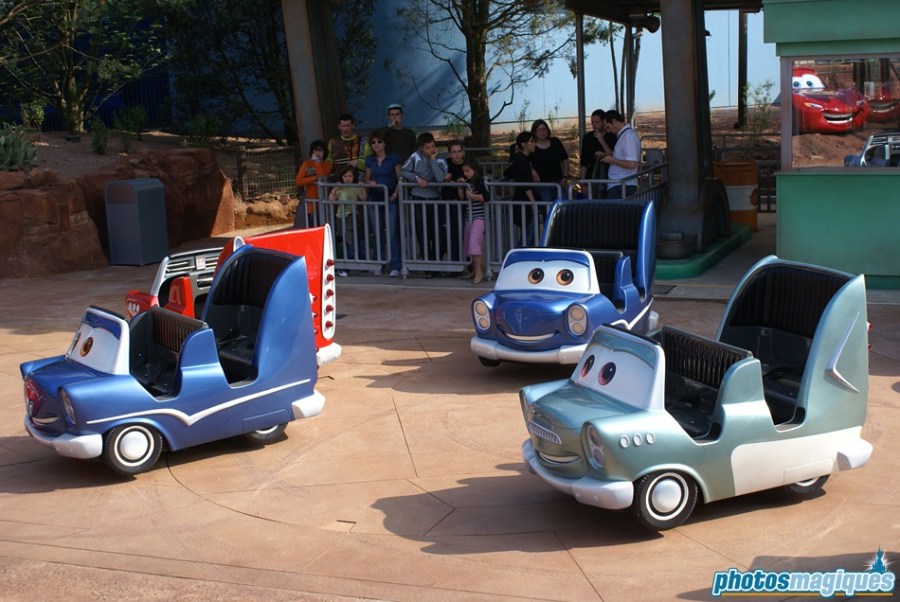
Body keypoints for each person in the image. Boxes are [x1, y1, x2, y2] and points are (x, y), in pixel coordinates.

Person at [401, 132, 447, 277]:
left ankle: (437, 264)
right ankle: (428, 267)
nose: (431, 149)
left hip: (435, 199)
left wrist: (433, 160)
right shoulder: (415, 156)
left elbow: (440, 179)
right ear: (421, 148)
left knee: (438, 233)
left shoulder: (439, 158)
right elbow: (403, 171)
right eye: (428, 148)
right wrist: (416, 178)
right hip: (419, 199)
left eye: (433, 146)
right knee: (422, 233)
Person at [364, 129, 402, 277]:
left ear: (385, 143)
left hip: (391, 196)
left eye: (379, 141)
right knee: (377, 232)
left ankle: (396, 265)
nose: (376, 144)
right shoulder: (370, 159)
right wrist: (370, 183)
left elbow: (400, 178)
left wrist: (395, 194)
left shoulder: (394, 158)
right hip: (375, 197)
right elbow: (367, 178)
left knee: (392, 233)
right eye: (373, 142)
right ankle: (378, 263)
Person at [329, 165, 368, 275]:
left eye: (350, 176)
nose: (347, 178)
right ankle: (346, 267)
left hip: (353, 216)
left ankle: (362, 264)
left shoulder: (355, 187)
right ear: (341, 177)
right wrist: (333, 191)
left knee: (358, 240)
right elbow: (330, 200)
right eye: (345, 176)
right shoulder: (339, 187)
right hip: (342, 217)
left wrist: (362, 188)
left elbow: (364, 198)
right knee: (349, 241)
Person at [505, 131, 539, 246]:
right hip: (524, 200)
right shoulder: (521, 160)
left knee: (530, 234)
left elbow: (509, 172)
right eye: (532, 142)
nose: (534, 144)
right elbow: (525, 184)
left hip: (523, 200)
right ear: (524, 144)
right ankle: (519, 254)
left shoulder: (523, 159)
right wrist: (533, 203)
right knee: (528, 235)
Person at [461, 158, 489, 285]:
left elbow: (486, 197)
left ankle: (479, 271)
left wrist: (472, 196)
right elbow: (462, 198)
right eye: (464, 171)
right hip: (469, 216)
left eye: (468, 171)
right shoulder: (467, 182)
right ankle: (474, 269)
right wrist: (460, 188)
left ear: (474, 170)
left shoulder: (478, 181)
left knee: (474, 242)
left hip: (479, 216)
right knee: (468, 242)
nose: (465, 173)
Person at [602, 110, 641, 198]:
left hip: (623, 185)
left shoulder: (628, 136)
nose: (608, 130)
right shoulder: (624, 135)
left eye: (608, 127)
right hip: (619, 184)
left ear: (614, 121)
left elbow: (631, 164)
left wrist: (612, 160)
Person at [529, 118, 569, 204]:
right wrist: (532, 170)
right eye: (539, 130)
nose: (542, 132)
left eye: (544, 129)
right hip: (542, 185)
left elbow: (564, 159)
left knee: (564, 206)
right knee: (548, 208)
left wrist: (565, 176)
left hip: (558, 182)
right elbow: (524, 161)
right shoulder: (532, 146)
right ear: (534, 132)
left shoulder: (555, 142)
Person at [579, 109, 617, 197]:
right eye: (592, 122)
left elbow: (614, 154)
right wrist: (583, 181)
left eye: (597, 122)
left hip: (609, 176)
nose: (594, 125)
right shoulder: (588, 138)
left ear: (603, 122)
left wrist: (601, 140)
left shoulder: (612, 136)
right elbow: (584, 160)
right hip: (592, 175)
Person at [294, 139, 332, 228]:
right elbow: (299, 181)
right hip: (312, 205)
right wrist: (314, 178)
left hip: (324, 203)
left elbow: (322, 176)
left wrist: (317, 163)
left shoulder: (328, 164)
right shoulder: (307, 164)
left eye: (320, 150)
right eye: (316, 150)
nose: (318, 153)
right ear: (312, 152)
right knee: (314, 227)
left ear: (324, 152)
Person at [441, 140, 467, 266]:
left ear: (463, 152)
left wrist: (464, 181)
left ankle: (470, 263)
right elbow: (437, 178)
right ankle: (454, 263)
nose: (457, 154)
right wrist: (444, 179)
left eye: (459, 151)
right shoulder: (445, 164)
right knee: (452, 233)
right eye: (454, 152)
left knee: (465, 233)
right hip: (448, 202)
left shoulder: (468, 165)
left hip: (466, 203)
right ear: (450, 153)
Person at [327, 113, 370, 182]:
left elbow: (370, 162)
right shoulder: (333, 143)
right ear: (339, 127)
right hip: (338, 183)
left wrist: (358, 163)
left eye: (348, 126)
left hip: (359, 182)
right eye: (343, 126)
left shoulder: (363, 141)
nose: (345, 129)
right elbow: (328, 163)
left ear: (353, 126)